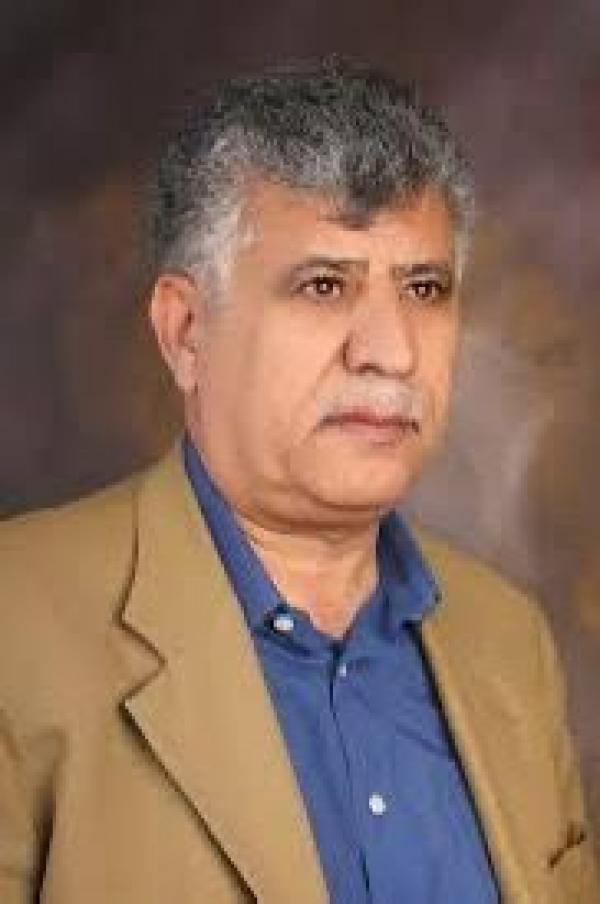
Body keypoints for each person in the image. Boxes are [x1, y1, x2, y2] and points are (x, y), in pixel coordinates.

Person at [0, 57, 597, 904]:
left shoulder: (509, 640)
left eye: (424, 287)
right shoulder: (17, 622)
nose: (391, 351)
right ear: (185, 332)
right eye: (324, 285)